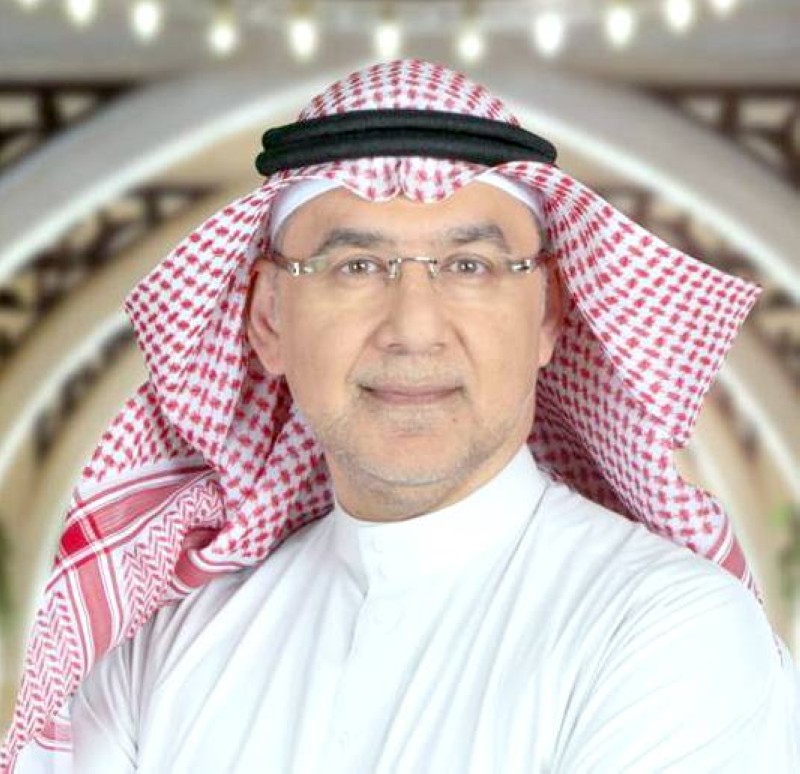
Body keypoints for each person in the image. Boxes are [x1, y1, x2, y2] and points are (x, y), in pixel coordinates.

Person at [3, 59, 799, 773]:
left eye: (469, 266)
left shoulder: (669, 626)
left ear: (549, 314)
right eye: (355, 266)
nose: (414, 329)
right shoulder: (162, 651)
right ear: (269, 319)